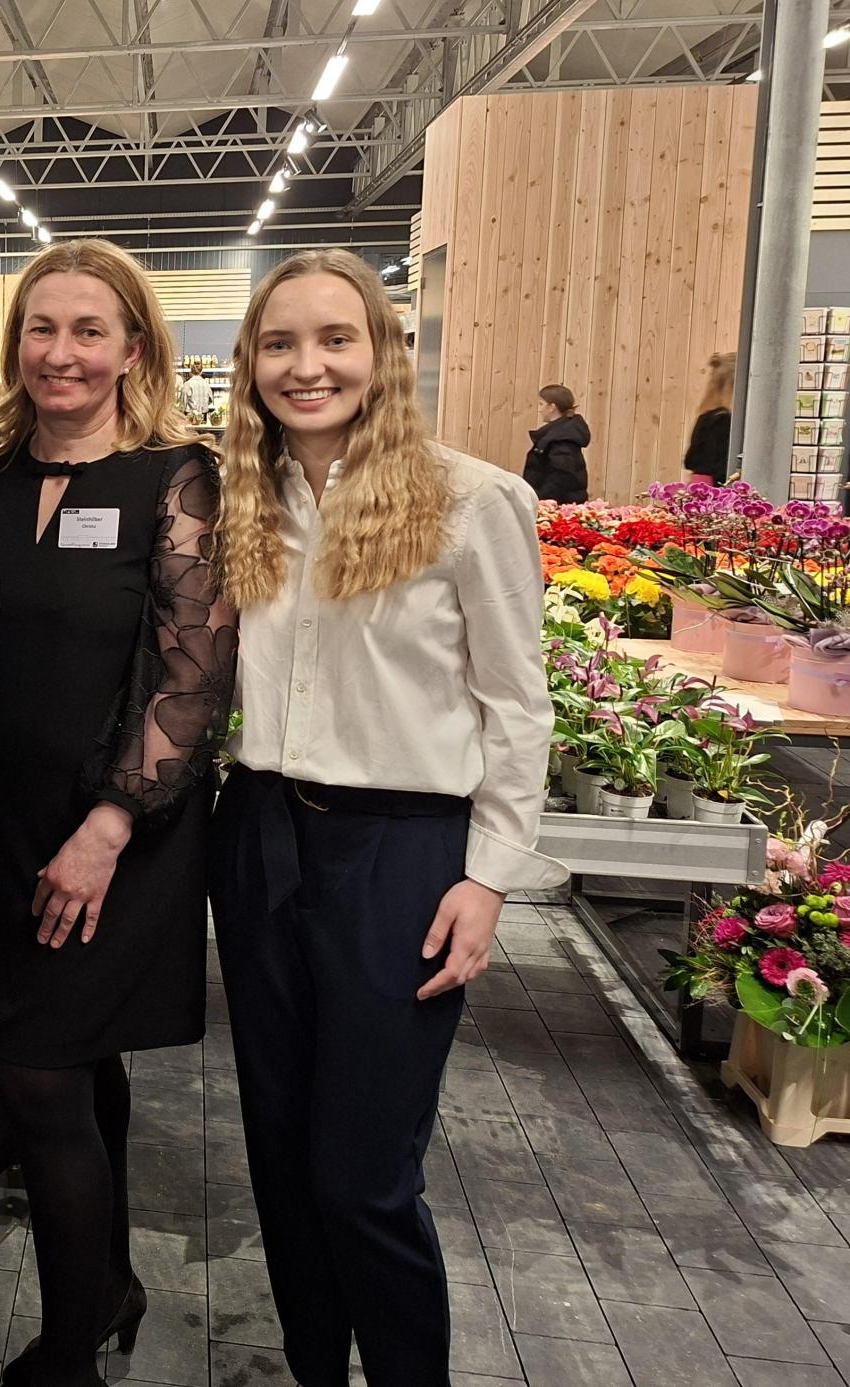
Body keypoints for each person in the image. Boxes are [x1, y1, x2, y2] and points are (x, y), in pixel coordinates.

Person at [210, 249, 562, 1387]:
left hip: (400, 850)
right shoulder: (242, 499)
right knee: (278, 1151)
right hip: (260, 833)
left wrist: (488, 875)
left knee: (363, 1172)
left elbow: (516, 703)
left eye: (333, 338)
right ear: (249, 361)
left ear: (383, 352)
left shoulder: (470, 500)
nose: (304, 366)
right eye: (278, 343)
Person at [0, 240, 235, 1387]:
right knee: (79, 1064)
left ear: (134, 346)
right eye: (41, 327)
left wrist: (106, 824)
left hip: (119, 826)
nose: (60, 352)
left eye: (88, 329)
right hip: (3, 823)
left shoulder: (176, 478)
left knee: (38, 1076)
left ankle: (67, 1352)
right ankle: (110, 1283)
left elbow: (192, 676)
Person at [521, 383, 590, 502]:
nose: (539, 409)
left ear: (552, 407)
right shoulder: (561, 434)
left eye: (541, 404)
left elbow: (561, 476)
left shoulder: (561, 438)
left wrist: (542, 499)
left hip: (556, 503)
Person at [685, 350, 736, 484]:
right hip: (718, 491)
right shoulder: (725, 422)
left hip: (698, 488)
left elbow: (690, 460)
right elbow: (720, 469)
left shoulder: (705, 417)